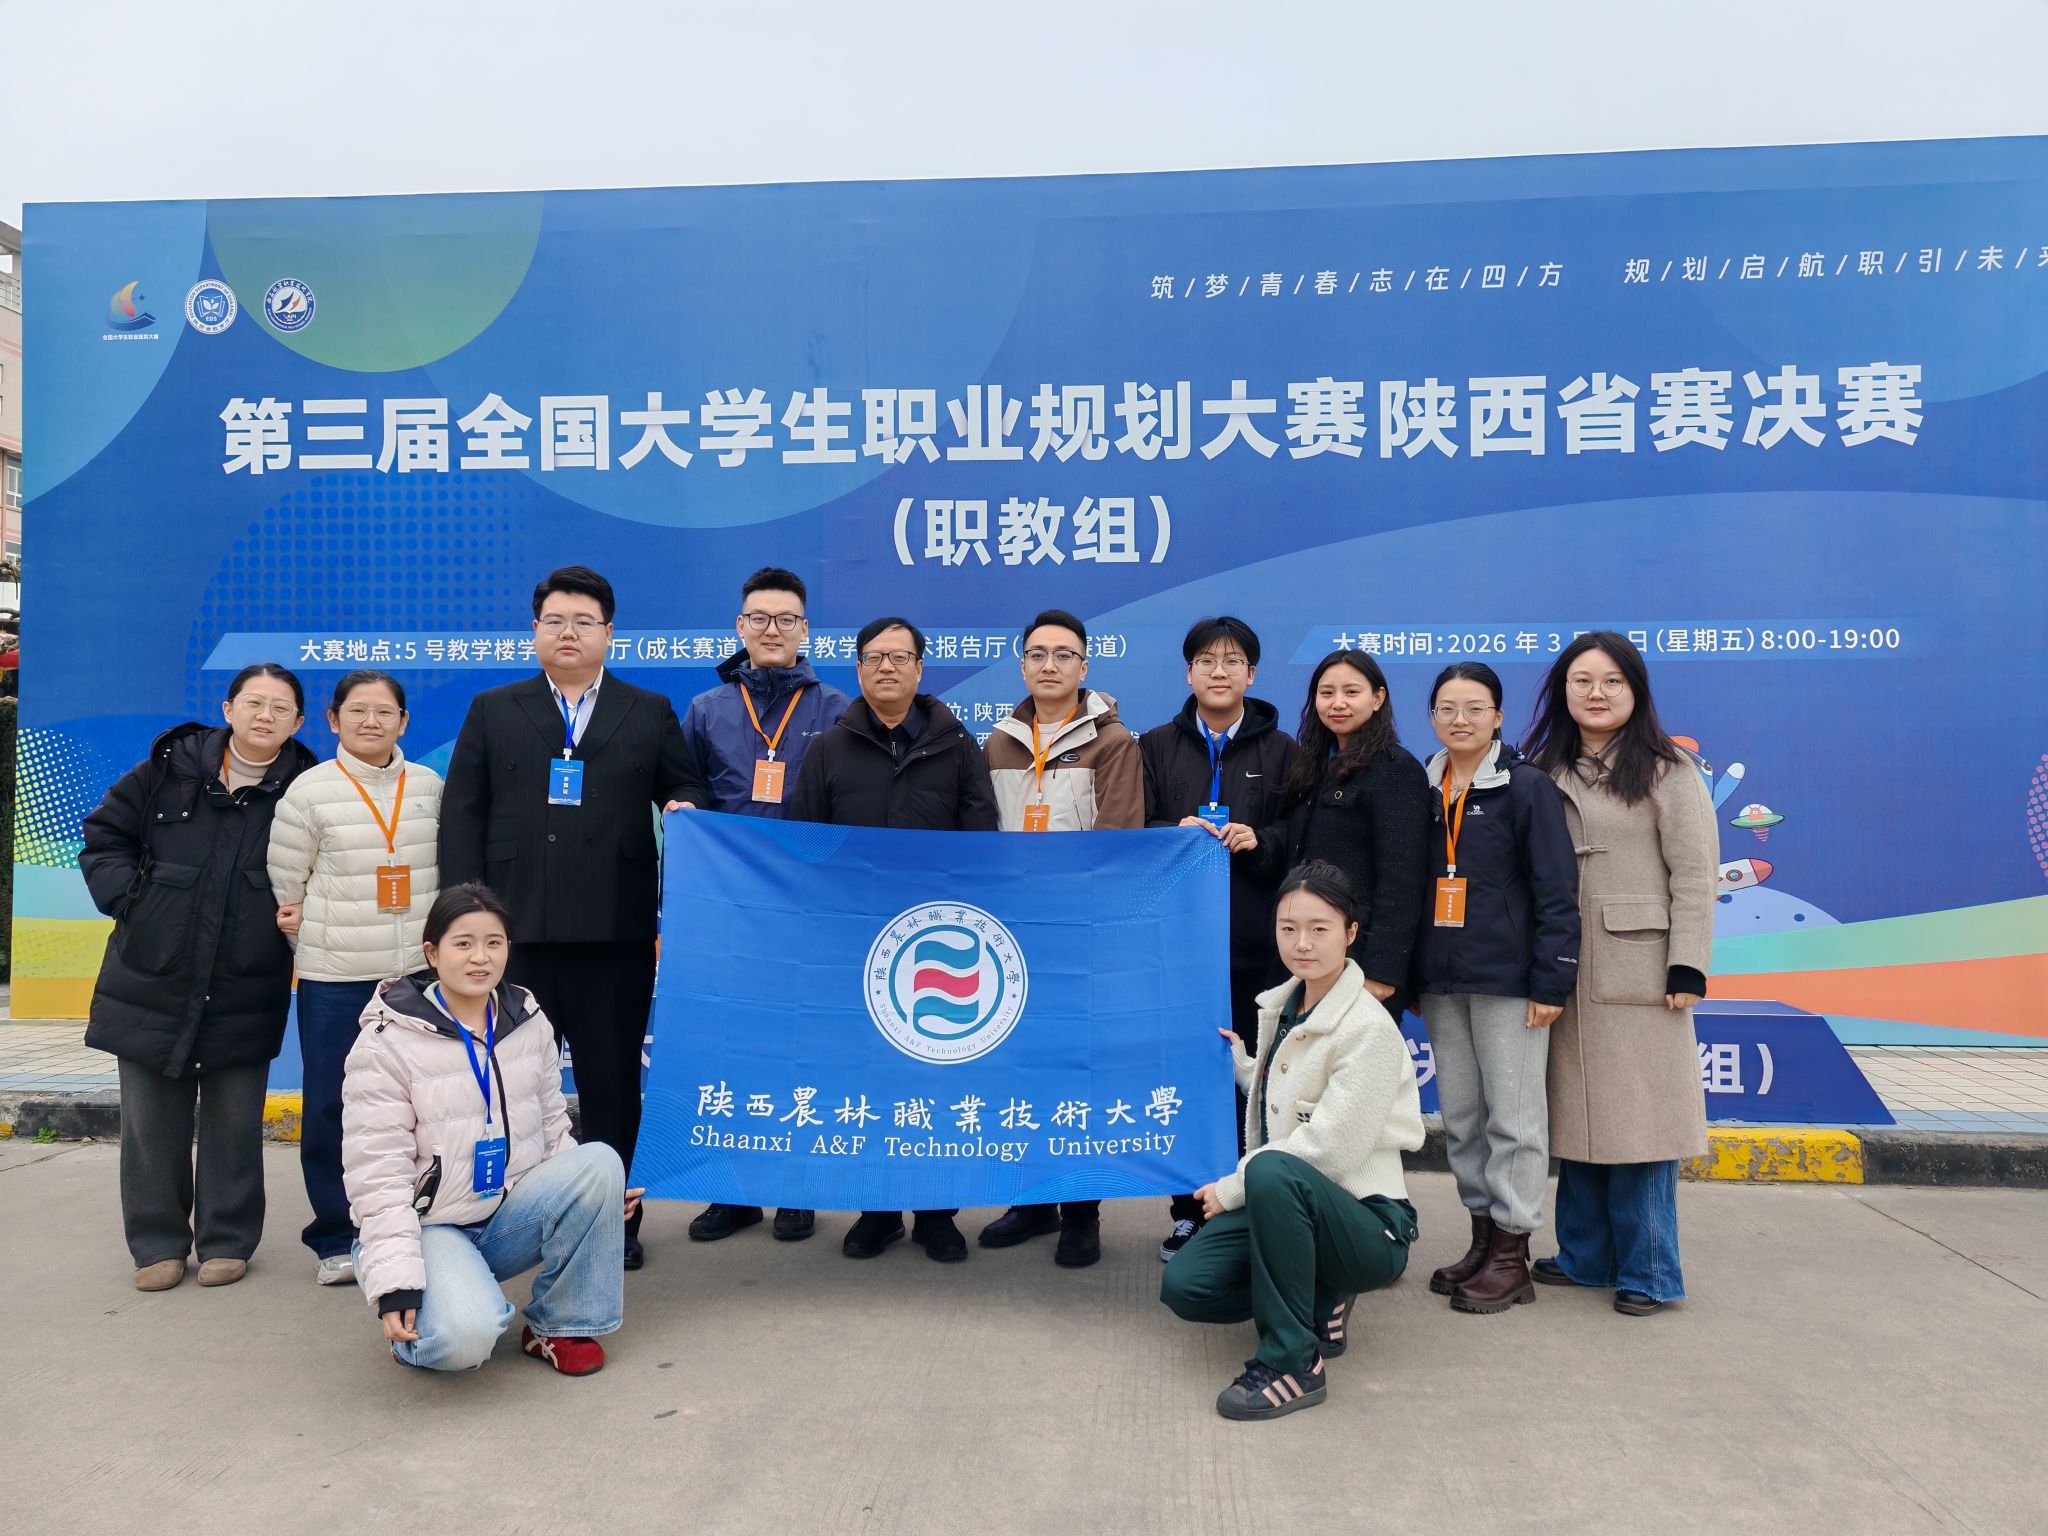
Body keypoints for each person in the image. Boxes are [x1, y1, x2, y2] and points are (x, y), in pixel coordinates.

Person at [438, 566, 706, 1270]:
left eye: (584, 622)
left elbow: (685, 782)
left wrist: (684, 802)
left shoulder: (647, 709)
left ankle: (615, 1220)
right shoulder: (494, 708)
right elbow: (462, 814)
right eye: (554, 620)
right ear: (535, 631)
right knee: (509, 1084)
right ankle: (508, 1216)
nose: (568, 632)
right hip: (513, 935)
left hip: (614, 932)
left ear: (608, 634)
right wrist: (466, 920)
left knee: (611, 1085)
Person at [79, 663, 316, 1291]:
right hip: (153, 972)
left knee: (235, 1120)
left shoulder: (307, 790)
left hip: (247, 977)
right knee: (150, 1121)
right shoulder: (168, 770)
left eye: (281, 707)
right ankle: (157, 1244)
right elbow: (105, 837)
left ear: (298, 722)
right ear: (229, 709)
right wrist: (135, 901)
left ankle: (226, 1240)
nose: (266, 715)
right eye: (254, 702)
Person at [1160, 861, 1423, 1422]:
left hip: (1368, 1222)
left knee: (1269, 1170)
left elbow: (1330, 1147)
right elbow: (1287, 1088)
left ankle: (1293, 1362)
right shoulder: (1284, 1004)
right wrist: (1240, 1062)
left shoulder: (1369, 1028)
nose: (1302, 943)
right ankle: (1319, 1293)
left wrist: (1232, 1189)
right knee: (1186, 1286)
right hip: (1293, 1203)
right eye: (1288, 928)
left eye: (1319, 928)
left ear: (1351, 932)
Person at [342, 883, 639, 1374]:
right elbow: (377, 1174)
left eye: (494, 943)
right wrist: (395, 1283)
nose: (480, 958)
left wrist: (596, 1194)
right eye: (463, 944)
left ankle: (558, 1326)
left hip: (505, 1215)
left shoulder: (528, 1021)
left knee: (601, 1162)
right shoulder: (386, 1044)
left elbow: (552, 1128)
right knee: (462, 1342)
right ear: (432, 953)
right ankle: (425, 1327)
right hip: (431, 1228)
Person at [787, 617, 1000, 1262]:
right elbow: (804, 844)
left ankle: (936, 1212)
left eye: (899, 657)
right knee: (866, 1078)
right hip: (856, 945)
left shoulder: (956, 746)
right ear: (858, 669)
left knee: (936, 1079)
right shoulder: (830, 748)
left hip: (938, 945)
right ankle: (876, 1210)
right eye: (875, 657)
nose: (887, 667)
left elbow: (982, 840)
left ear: (920, 668)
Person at [1521, 632, 1717, 1316]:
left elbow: (1695, 874)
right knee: (1578, 1118)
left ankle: (1650, 1271)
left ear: (1635, 691)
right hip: (1561, 966)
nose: (1596, 693)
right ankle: (1585, 1257)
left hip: (1641, 966)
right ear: (1562, 691)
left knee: (1641, 1124)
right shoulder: (1541, 767)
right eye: (1582, 680)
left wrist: (1688, 962)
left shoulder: (1669, 770)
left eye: (1611, 681)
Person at [680, 566, 849, 1246]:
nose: (771, 630)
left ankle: (796, 1186)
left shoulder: (836, 709)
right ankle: (733, 1191)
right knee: (733, 1047)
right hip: (731, 909)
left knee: (802, 1047)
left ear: (805, 629)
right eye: (759, 618)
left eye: (785, 619)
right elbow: (689, 795)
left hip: (811, 910)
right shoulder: (706, 710)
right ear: (740, 627)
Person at [267, 669, 444, 1287]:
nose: (372, 722)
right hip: (336, 979)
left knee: (424, 1105)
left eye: (385, 711)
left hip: (418, 977)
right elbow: (286, 888)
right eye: (358, 711)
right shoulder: (309, 792)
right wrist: (319, 943)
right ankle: (336, 1235)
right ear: (333, 719)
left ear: (404, 722)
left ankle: (417, 1224)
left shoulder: (429, 787)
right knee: (332, 1106)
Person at [978, 607, 1143, 1268]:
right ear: (1022, 665)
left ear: (1084, 666)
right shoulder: (998, 743)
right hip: (1011, 939)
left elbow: (1119, 844)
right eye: (1038, 654)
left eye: (1063, 655)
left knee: (1079, 1074)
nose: (1049, 665)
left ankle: (1081, 1211)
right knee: (1022, 1071)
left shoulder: (1114, 743)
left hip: (1080, 938)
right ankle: (1033, 1200)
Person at [1412, 663, 1580, 1313]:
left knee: (1513, 1119)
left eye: (1475, 708)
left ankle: (1513, 1255)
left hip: (1510, 983)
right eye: (1447, 708)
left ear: (1498, 717)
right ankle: (1481, 1240)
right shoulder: (1423, 787)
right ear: (1432, 716)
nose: (1460, 720)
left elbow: (1556, 891)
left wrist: (1552, 982)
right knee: (1461, 1119)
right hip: (1442, 981)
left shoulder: (1526, 787)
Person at [1139, 614, 1296, 1261]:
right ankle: (1187, 1213)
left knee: (1252, 1081)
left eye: (1232, 661)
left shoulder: (1282, 750)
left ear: (1251, 675)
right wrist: (1169, 833)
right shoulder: (1156, 745)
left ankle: (1251, 1209)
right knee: (1185, 1078)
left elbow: (1298, 836)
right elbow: (1135, 827)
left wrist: (1261, 840)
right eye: (1206, 660)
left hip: (1255, 945)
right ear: (1189, 673)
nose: (1219, 671)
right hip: (1178, 946)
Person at [1239, 649, 1428, 1016]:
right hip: (1305, 957)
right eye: (1326, 693)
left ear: (1378, 698)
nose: (1337, 703)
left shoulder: (1396, 770)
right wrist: (1256, 846)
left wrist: (1382, 971)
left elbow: (1402, 881)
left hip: (1359, 964)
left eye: (1351, 692)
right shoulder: (1314, 767)